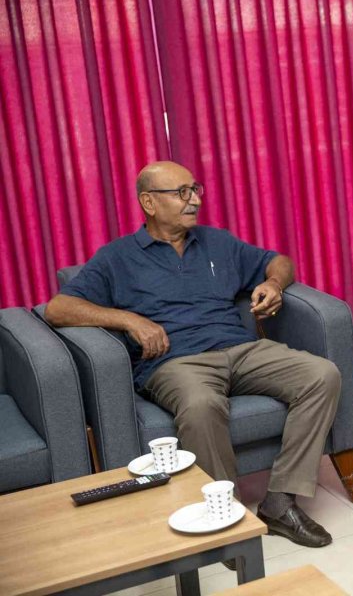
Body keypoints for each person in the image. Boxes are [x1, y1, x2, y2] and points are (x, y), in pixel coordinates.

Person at [46, 161, 338, 550]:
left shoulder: (217, 242)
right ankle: (227, 516)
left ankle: (280, 503)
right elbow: (58, 308)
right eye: (181, 192)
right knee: (201, 405)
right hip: (175, 361)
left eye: (195, 189)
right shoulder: (117, 258)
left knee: (322, 375)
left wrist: (273, 282)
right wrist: (129, 320)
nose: (194, 200)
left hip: (240, 348)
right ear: (149, 202)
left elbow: (278, 261)